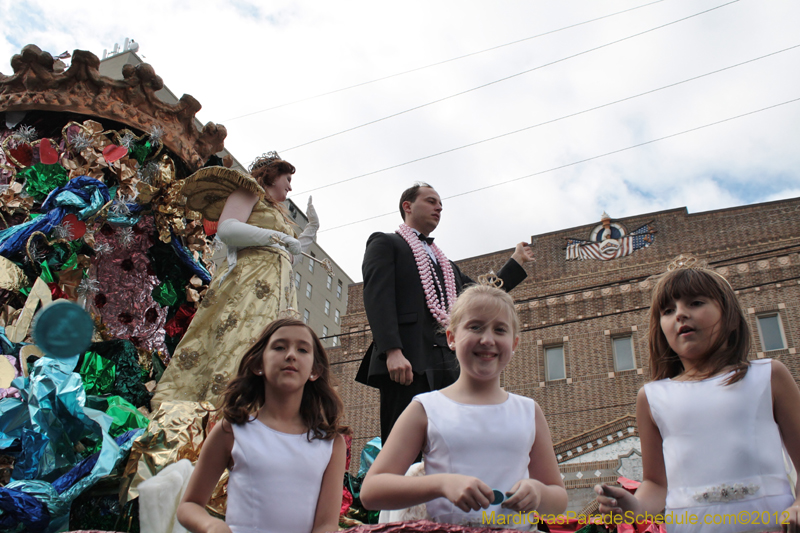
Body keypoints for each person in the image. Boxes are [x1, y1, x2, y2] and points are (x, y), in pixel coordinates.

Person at [594, 263, 800, 532]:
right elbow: (657, 484)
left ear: (731, 317)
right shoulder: (653, 397)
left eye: (696, 302)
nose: (680, 314)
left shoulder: (768, 376)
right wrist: (631, 506)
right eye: (668, 310)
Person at [360, 284, 567, 530]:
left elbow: (559, 499)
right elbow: (372, 491)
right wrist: (442, 484)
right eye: (475, 326)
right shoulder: (425, 408)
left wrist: (539, 492)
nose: (487, 339)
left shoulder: (529, 411)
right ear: (451, 338)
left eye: (500, 329)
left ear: (514, 343)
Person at [355, 182, 535, 444]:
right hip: (407, 363)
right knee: (405, 446)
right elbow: (377, 297)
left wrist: (515, 262)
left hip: (448, 366)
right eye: (431, 201)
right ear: (407, 206)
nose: (438, 207)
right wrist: (392, 351)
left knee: (451, 442)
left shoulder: (446, 264)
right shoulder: (386, 243)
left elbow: (479, 296)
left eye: (440, 204)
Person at [152, 152, 318, 410]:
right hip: (248, 283)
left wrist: (309, 233)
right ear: (272, 175)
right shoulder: (250, 192)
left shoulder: (278, 213)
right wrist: (277, 237)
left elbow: (287, 255)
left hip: (279, 292)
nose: (290, 186)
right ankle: (224, 411)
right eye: (287, 178)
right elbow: (227, 229)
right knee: (241, 341)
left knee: (271, 349)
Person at [176, 318, 349, 533]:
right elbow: (189, 505)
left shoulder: (331, 443)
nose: (291, 355)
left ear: (315, 370)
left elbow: (326, 525)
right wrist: (212, 525)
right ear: (258, 364)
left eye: (303, 350)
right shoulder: (231, 430)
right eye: (279, 347)